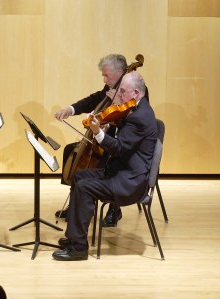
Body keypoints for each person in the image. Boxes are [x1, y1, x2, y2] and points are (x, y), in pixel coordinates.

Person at [52, 71, 157, 261]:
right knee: (79, 177)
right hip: (121, 171)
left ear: (135, 93)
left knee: (84, 187)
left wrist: (99, 132)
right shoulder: (136, 109)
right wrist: (109, 129)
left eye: (122, 91)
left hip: (129, 182)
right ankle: (74, 236)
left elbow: (119, 148)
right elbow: (124, 140)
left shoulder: (141, 116)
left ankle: (79, 248)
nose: (119, 96)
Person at [54, 54, 149, 227]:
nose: (104, 79)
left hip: (123, 148)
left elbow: (132, 125)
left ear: (120, 71)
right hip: (105, 137)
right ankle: (76, 203)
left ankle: (114, 209)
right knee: (71, 150)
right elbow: (94, 99)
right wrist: (71, 109)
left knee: (105, 161)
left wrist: (117, 102)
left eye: (107, 75)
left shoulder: (136, 90)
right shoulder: (110, 86)